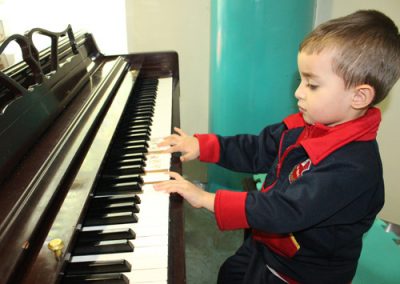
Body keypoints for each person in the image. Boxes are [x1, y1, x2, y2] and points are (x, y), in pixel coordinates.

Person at [154, 10, 400, 284]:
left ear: (359, 96)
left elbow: (284, 209)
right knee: (229, 274)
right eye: (301, 81)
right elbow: (257, 148)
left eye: (312, 85)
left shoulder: (353, 169)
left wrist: (207, 199)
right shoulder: (304, 125)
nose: (298, 92)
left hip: (301, 271)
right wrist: (203, 145)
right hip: (269, 242)